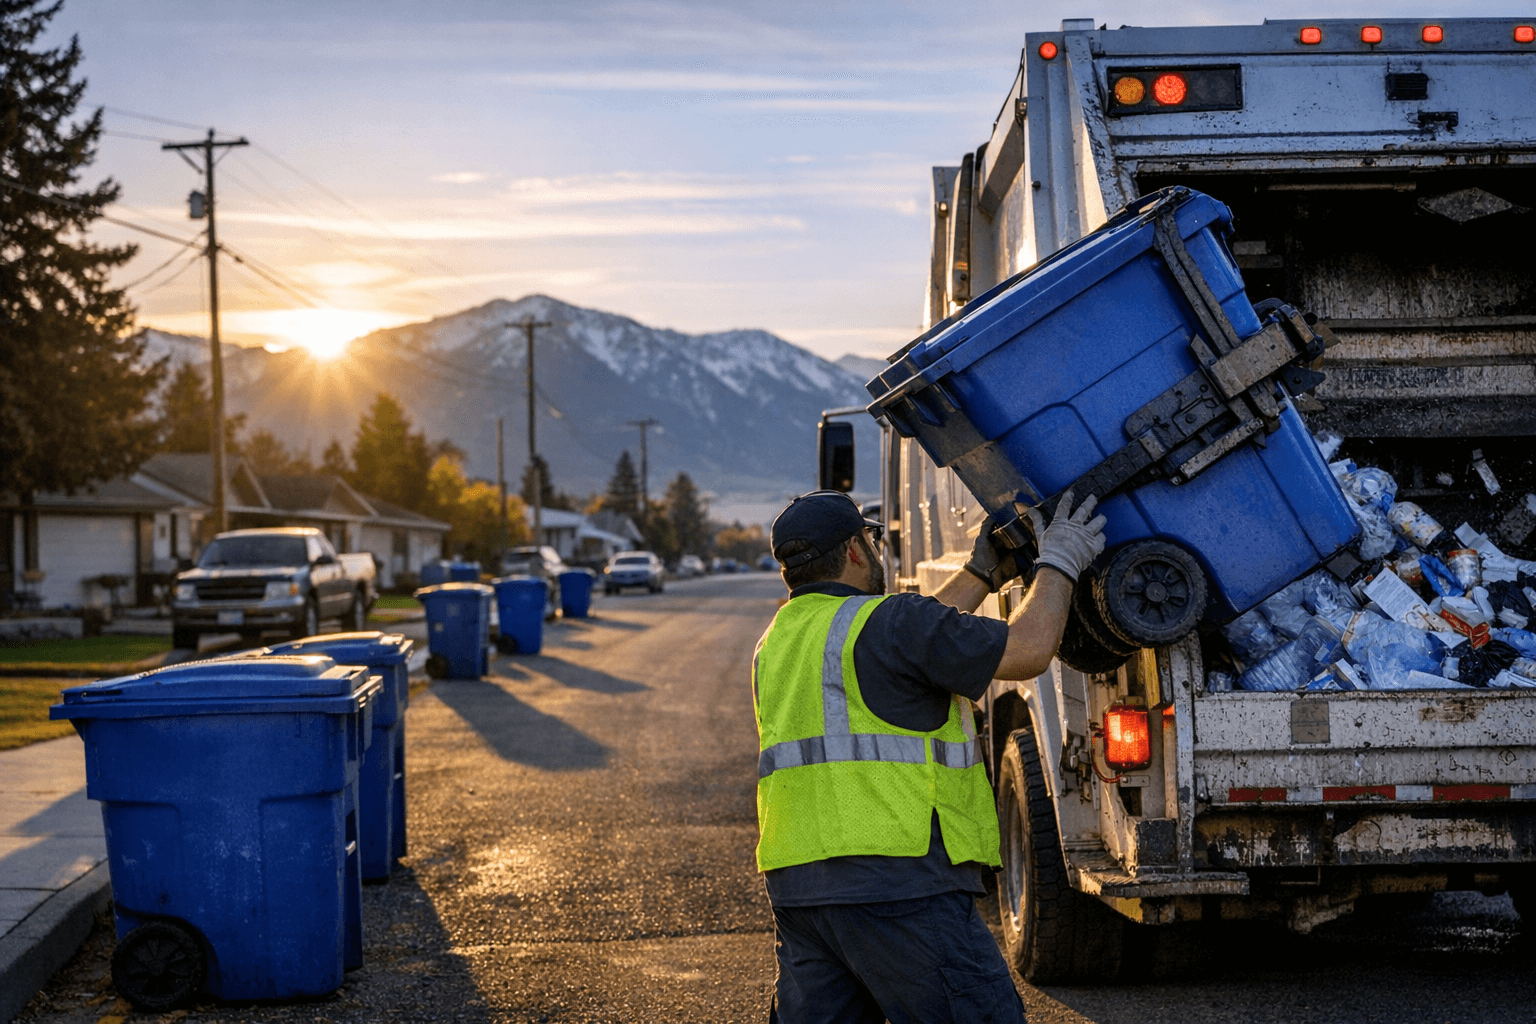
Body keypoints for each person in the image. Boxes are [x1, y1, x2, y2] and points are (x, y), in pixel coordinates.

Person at [755, 488, 1106, 1024]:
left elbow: (912, 640)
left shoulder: (777, 642)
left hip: (802, 893)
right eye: (871, 539)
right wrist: (1061, 559)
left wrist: (982, 573)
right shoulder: (888, 624)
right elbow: (1029, 649)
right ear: (854, 549)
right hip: (899, 886)